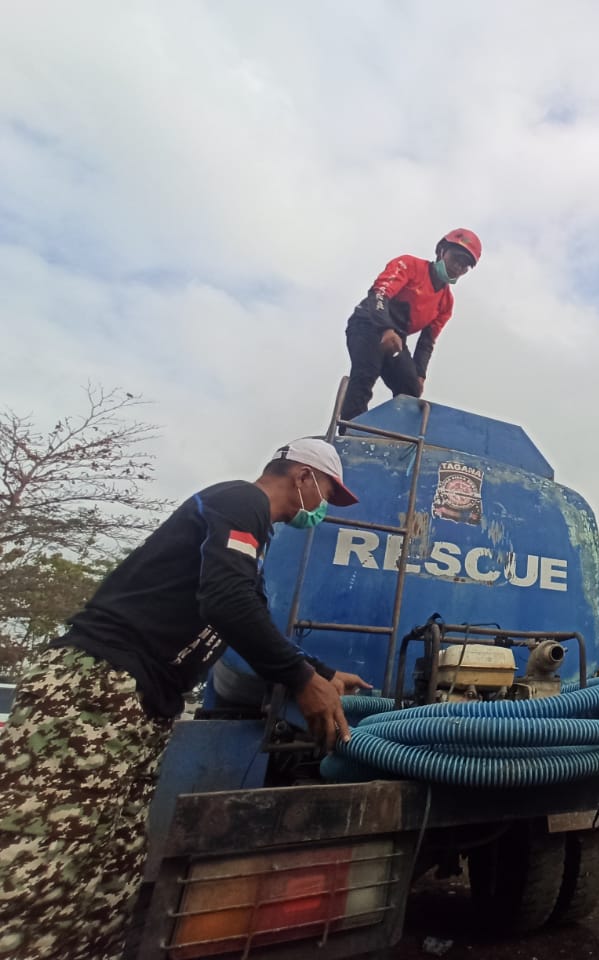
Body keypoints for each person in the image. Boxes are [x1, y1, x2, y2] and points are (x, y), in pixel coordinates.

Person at [0, 437, 373, 960]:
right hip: (95, 690)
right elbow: (227, 602)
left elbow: (252, 616)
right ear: (302, 477)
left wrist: (326, 673)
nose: (324, 509)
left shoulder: (252, 543)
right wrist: (299, 679)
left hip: (141, 704)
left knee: (110, 863)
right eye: (327, 494)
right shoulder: (240, 500)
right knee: (46, 862)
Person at [340, 228, 482, 423]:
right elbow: (379, 294)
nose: (459, 267)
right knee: (365, 374)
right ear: (441, 250)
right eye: (456, 258)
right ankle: (349, 432)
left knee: (410, 389)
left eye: (465, 265)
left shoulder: (446, 302)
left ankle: (394, 438)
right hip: (368, 323)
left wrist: (420, 374)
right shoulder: (409, 265)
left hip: (397, 338)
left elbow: (427, 342)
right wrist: (385, 329)